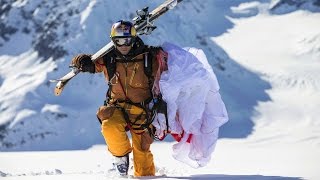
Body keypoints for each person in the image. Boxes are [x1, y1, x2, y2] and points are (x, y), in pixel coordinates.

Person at [70, 20, 168, 177]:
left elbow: (172, 70)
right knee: (109, 126)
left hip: (143, 113)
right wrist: (82, 61)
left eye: (127, 40)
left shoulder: (149, 57)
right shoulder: (109, 58)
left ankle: (146, 175)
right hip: (117, 108)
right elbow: (89, 62)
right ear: (113, 41)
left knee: (143, 161)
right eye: (119, 41)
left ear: (134, 39)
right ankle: (120, 156)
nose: (123, 45)